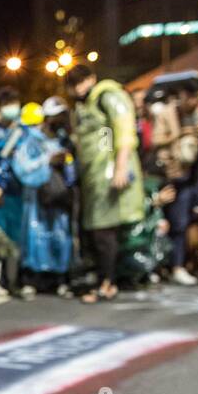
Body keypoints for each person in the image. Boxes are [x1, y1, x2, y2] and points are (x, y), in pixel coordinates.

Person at [67, 64, 145, 303]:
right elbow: (103, 137)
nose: (78, 88)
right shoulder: (86, 106)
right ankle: (107, 279)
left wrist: (119, 166)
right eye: (73, 84)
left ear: (91, 78)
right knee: (97, 229)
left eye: (81, 81)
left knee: (104, 229)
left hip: (108, 174)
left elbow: (123, 130)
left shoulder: (107, 96)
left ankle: (107, 283)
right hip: (94, 175)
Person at [152, 85, 198, 284]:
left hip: (197, 175)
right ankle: (172, 266)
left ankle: (189, 264)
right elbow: (156, 140)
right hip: (173, 175)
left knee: (197, 221)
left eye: (194, 97)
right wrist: (179, 134)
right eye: (186, 96)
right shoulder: (166, 114)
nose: (190, 101)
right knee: (175, 223)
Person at [13, 97, 74, 294]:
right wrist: (47, 161)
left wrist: (66, 164)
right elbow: (22, 168)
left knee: (60, 234)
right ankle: (32, 277)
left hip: (60, 195)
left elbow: (75, 171)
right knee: (35, 236)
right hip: (37, 199)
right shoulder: (31, 140)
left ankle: (59, 276)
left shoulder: (65, 140)